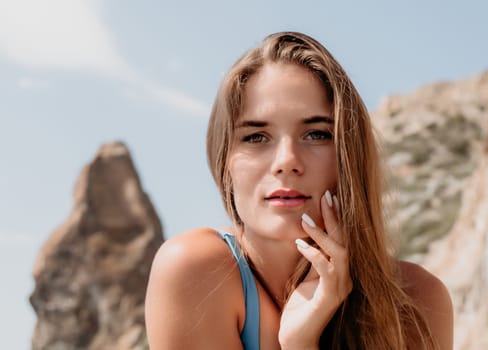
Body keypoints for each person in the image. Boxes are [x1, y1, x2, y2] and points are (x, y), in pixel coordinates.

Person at [145, 31, 453, 349]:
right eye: (256, 137)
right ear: (225, 161)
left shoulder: (418, 300)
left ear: (349, 154)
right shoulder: (196, 271)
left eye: (316, 134)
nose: (287, 161)